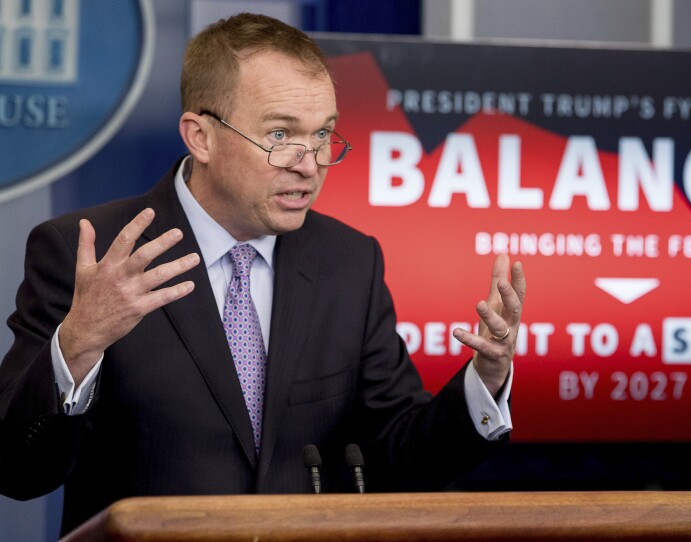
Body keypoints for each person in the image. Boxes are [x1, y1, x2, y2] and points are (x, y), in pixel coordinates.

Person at [0, 13, 525, 536]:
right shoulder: (90, 253)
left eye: (323, 134)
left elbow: (398, 458)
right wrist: (78, 346)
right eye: (280, 134)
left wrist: (486, 383)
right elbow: (19, 472)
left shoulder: (348, 261)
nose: (310, 162)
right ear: (200, 137)